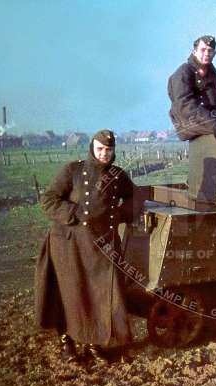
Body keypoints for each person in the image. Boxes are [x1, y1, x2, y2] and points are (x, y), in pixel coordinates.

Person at [35, 129, 138, 363]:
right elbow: (48, 200)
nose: (104, 154)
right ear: (92, 148)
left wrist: (120, 213)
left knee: (96, 295)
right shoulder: (73, 170)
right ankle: (66, 343)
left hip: (101, 247)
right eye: (100, 149)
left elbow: (135, 198)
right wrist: (75, 213)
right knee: (69, 295)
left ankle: (93, 344)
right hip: (69, 244)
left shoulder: (118, 175)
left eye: (108, 150)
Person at [168, 35, 216, 142]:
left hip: (208, 119)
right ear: (194, 52)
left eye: (210, 51)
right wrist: (213, 124)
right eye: (203, 50)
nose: (206, 54)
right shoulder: (183, 73)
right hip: (188, 121)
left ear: (214, 53)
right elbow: (186, 105)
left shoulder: (212, 74)